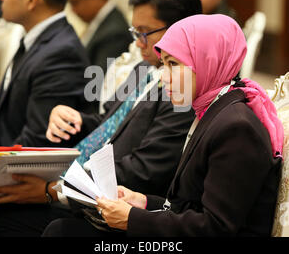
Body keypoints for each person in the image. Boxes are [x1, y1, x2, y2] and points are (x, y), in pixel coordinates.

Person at [0, 0, 202, 237]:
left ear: (182, 29)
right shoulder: (144, 68)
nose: (138, 43)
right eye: (135, 32)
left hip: (110, 206)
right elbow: (107, 124)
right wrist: (71, 116)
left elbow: (144, 171)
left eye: (145, 33)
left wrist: (55, 190)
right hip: (80, 184)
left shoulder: (183, 89)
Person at [43, 14, 284, 237]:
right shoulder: (213, 109)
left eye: (174, 65)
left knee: (62, 232)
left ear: (207, 61)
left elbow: (216, 228)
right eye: (164, 65)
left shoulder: (235, 127)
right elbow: (189, 206)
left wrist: (132, 219)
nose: (164, 76)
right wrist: (143, 203)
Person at [0, 0, 90, 149]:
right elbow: (1, 128)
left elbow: (37, 141)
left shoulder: (61, 53)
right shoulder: (36, 40)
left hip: (20, 172)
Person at [67, 0, 132, 74]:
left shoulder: (114, 34)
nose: (73, 10)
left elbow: (98, 84)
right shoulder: (101, 22)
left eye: (75, 2)